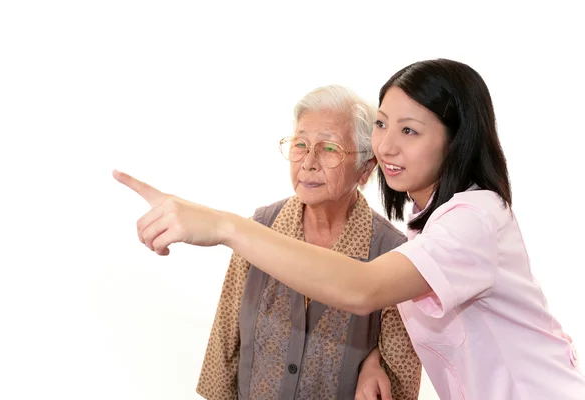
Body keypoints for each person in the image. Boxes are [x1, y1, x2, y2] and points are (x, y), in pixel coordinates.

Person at [112, 58, 585, 400]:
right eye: (382, 125)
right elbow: (226, 349)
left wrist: (221, 225)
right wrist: (370, 356)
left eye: (410, 130)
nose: (386, 147)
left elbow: (363, 289)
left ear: (456, 141)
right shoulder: (429, 234)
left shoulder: (471, 220)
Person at [194, 85, 421, 399]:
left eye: (329, 148)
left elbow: (401, 382)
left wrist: (375, 359)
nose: (308, 162)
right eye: (300, 144)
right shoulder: (259, 229)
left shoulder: (392, 257)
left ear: (366, 168)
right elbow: (223, 353)